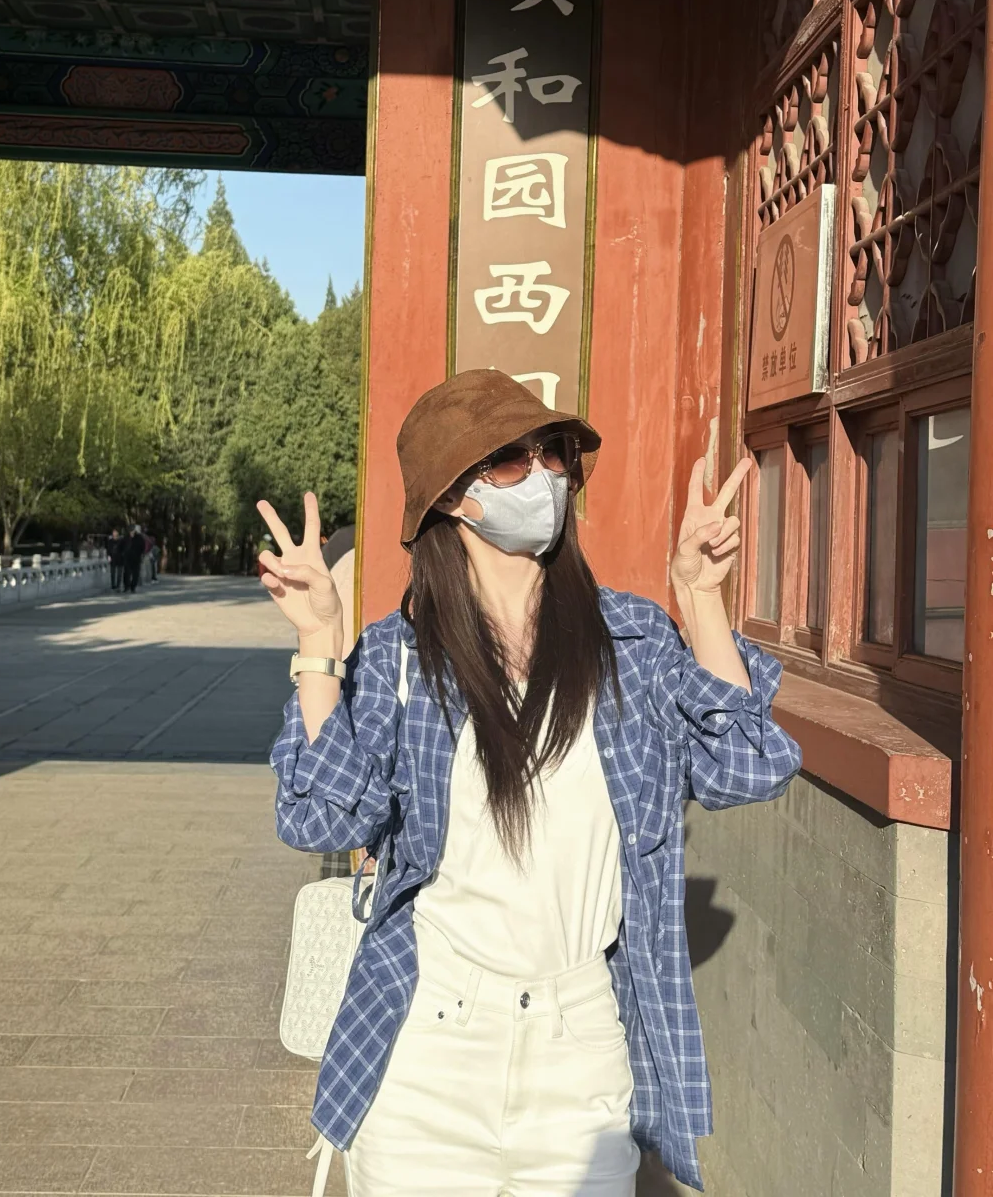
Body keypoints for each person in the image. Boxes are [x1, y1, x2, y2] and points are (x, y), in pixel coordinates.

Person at [259, 369, 802, 1197]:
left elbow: (748, 767)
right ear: (451, 498)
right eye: (511, 461)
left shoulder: (630, 641)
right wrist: (319, 647)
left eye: (555, 456)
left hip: (578, 1049)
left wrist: (700, 599)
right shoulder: (400, 658)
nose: (544, 477)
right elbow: (322, 820)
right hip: (425, 1047)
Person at [123, 524, 145, 594]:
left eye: (133, 530)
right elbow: (121, 546)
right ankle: (126, 587)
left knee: (136, 574)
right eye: (130, 531)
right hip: (127, 558)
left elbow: (143, 547)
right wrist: (122, 554)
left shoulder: (139, 538)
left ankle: (133, 587)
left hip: (136, 558)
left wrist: (141, 554)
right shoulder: (126, 538)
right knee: (127, 573)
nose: (132, 532)